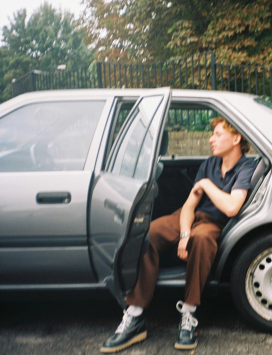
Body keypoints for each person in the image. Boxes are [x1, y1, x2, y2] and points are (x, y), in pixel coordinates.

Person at [101, 116, 257, 353]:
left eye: (217, 134)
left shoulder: (246, 167)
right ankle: (135, 314)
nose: (211, 139)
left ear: (236, 139)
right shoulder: (209, 164)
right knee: (148, 233)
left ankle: (189, 313)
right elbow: (189, 206)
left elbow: (231, 208)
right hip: (188, 217)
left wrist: (206, 185)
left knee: (201, 239)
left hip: (214, 221)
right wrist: (184, 235)